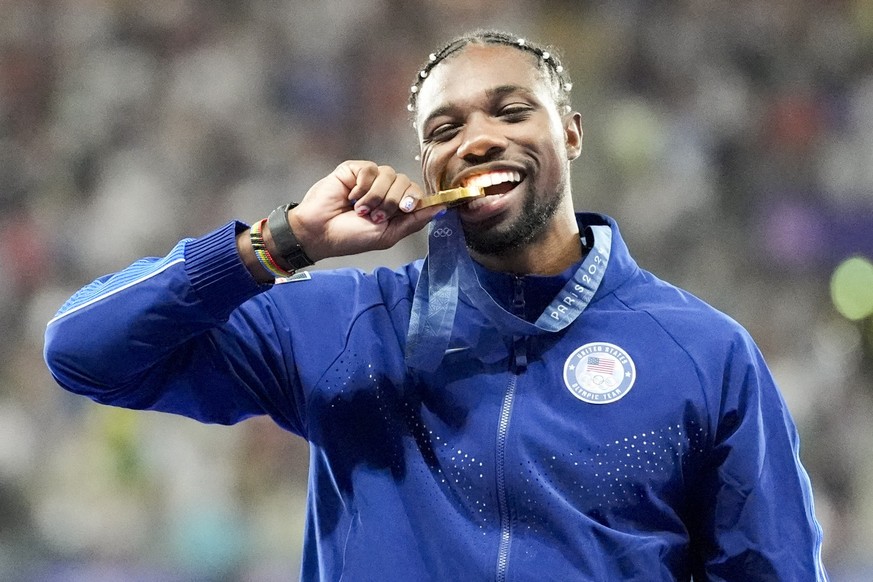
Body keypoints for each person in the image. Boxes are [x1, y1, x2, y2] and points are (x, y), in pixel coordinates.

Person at [44, 30, 827, 581]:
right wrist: (285, 241)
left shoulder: (702, 353)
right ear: (426, 164)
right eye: (446, 127)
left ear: (571, 134)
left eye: (511, 111)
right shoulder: (350, 326)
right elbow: (82, 351)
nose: (477, 139)